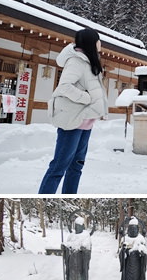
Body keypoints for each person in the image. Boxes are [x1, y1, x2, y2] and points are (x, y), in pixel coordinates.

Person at [39, 28, 108, 194]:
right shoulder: (76, 61)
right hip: (72, 120)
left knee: (76, 166)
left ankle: (69, 197)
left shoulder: (90, 61)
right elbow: (64, 86)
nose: (100, 44)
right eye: (98, 40)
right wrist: (86, 98)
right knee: (59, 165)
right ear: (91, 42)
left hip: (86, 120)